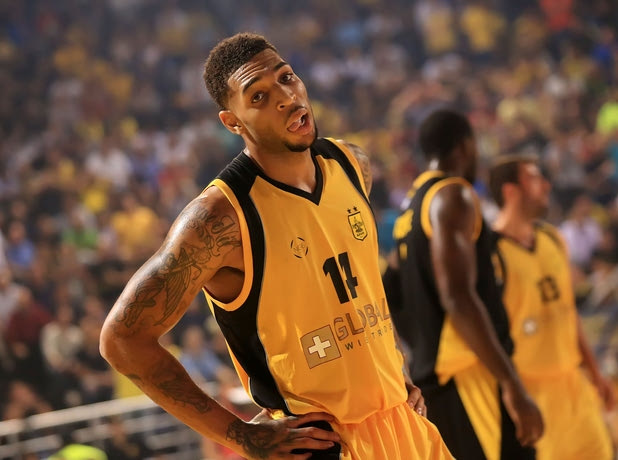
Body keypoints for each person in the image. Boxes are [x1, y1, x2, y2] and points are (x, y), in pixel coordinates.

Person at [100, 32, 452, 460]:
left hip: (403, 422)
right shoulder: (219, 218)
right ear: (233, 121)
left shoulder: (351, 164)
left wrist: (392, 370)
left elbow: (360, 289)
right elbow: (122, 340)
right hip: (322, 444)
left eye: (286, 78)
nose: (286, 97)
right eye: (259, 96)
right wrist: (239, 435)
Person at [387, 109, 543, 460]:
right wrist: (512, 384)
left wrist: (424, 347)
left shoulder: (409, 208)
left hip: (438, 377)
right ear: (465, 146)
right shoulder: (452, 195)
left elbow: (390, 289)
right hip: (470, 373)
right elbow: (458, 298)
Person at [489, 153, 614, 460]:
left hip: (574, 383)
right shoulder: (491, 254)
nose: (546, 185)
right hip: (532, 393)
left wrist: (595, 373)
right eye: (534, 179)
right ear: (511, 191)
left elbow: (569, 312)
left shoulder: (552, 238)